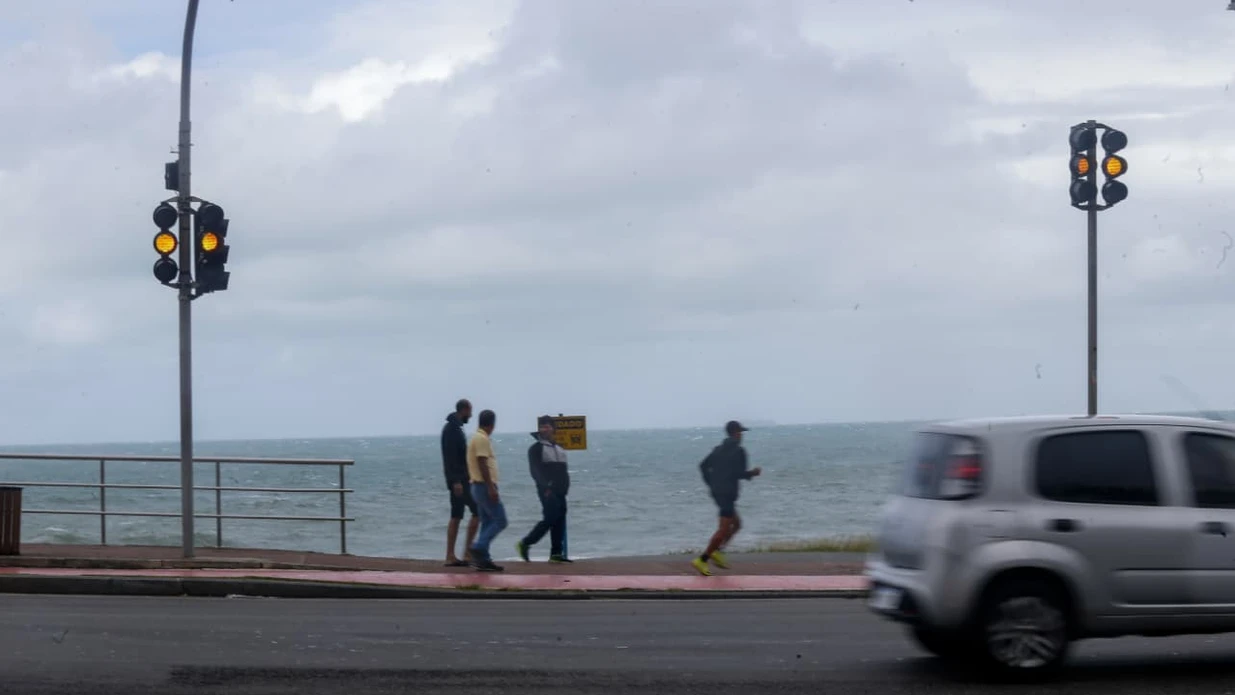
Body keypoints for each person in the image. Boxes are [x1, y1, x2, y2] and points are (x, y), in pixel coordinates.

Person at [693, 420, 762, 576]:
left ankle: (718, 551)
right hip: (727, 495)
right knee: (724, 529)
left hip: (718, 493)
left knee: (736, 524)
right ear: (736, 433)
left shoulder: (718, 449)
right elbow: (739, 474)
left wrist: (710, 483)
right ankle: (703, 559)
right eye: (741, 432)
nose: (742, 436)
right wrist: (753, 473)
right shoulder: (739, 451)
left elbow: (703, 466)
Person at [516, 415, 572, 563]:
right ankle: (526, 543)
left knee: (559, 519)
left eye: (548, 426)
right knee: (550, 518)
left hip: (561, 491)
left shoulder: (559, 448)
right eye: (542, 426)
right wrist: (545, 486)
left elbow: (564, 470)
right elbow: (535, 471)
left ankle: (556, 553)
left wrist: (566, 487)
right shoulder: (535, 449)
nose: (545, 429)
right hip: (547, 490)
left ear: (553, 429)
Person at [467, 409, 507, 572]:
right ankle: (479, 546)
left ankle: (483, 559)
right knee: (500, 520)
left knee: (488, 522)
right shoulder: (482, 439)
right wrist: (491, 487)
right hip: (484, 486)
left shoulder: (475, 438)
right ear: (492, 424)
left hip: (476, 486)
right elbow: (482, 462)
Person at [440, 398, 478, 567]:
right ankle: (457, 554)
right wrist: (456, 481)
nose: (471, 415)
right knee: (469, 513)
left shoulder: (456, 428)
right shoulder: (452, 429)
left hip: (462, 479)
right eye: (470, 412)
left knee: (459, 514)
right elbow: (451, 458)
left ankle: (461, 554)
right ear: (464, 410)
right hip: (459, 480)